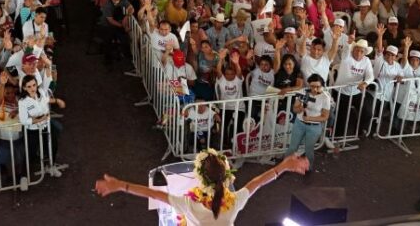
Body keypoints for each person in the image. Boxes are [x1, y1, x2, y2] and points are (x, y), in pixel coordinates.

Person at [95, 150, 309, 225]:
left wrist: (120, 185)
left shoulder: (190, 205)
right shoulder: (234, 202)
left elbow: (154, 194)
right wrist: (284, 166)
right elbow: (258, 181)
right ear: (226, 177)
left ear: (200, 177)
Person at [284, 74, 331, 171]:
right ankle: (285, 166)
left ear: (322, 86)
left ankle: (308, 168)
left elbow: (325, 117)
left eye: (318, 86)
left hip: (314, 127)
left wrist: (309, 118)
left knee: (309, 149)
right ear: (309, 85)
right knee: (293, 147)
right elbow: (295, 109)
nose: (314, 89)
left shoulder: (325, 97)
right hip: (299, 123)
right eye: (312, 86)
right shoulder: (303, 92)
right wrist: (300, 108)